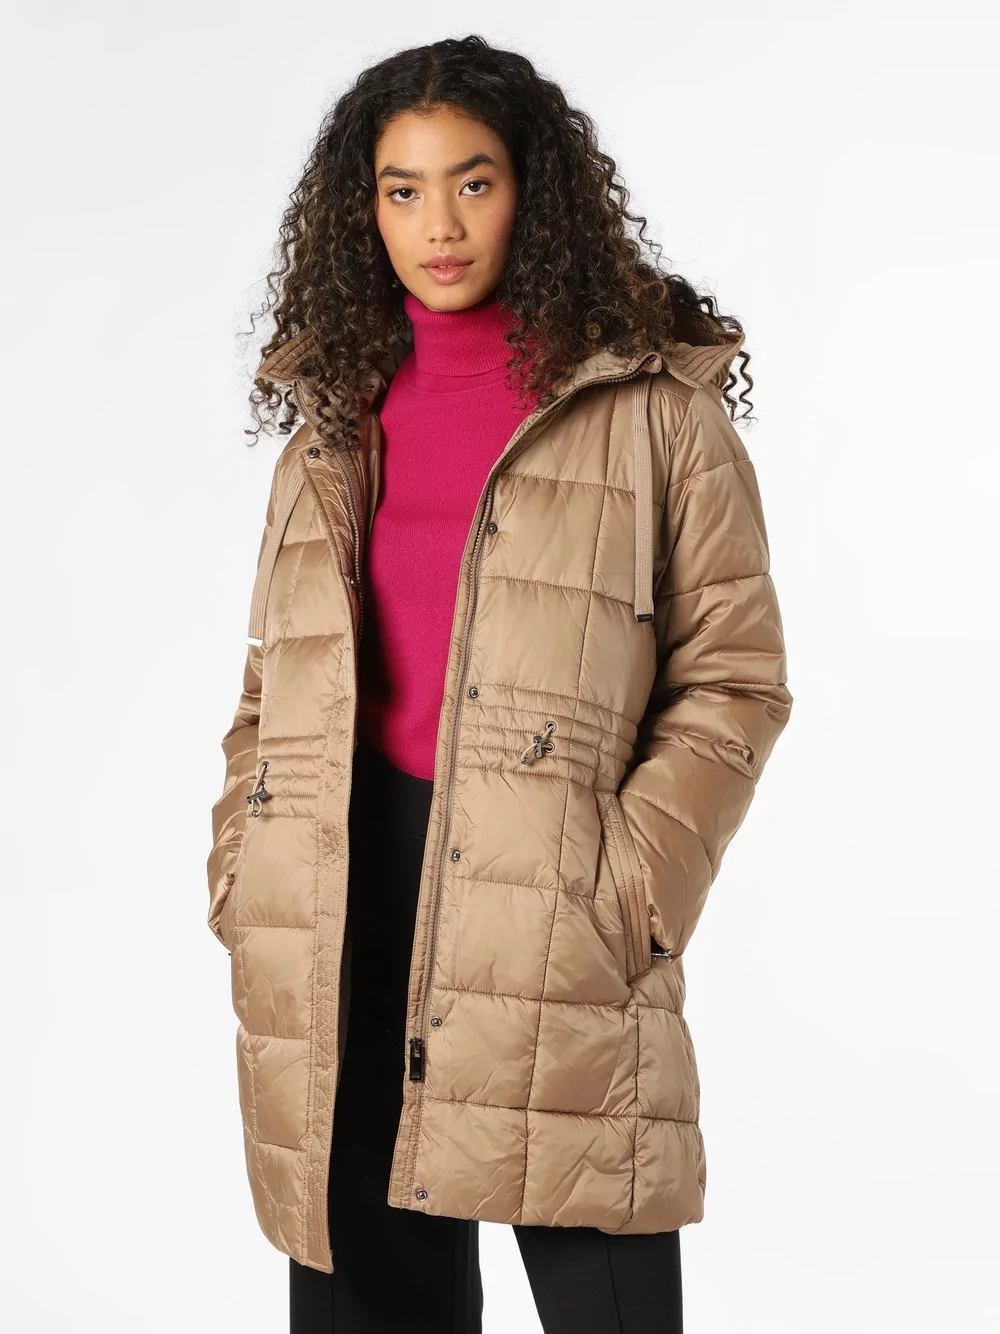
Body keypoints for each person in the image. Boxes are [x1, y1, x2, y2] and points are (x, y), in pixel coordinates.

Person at [206, 33, 792, 1334]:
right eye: (403, 189)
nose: (440, 224)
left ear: (534, 189)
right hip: (340, 912)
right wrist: (245, 871)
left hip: (555, 909)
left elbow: (736, 676)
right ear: (363, 212)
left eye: (473, 182)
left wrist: (628, 885)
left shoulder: (652, 408)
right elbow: (272, 686)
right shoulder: (330, 426)